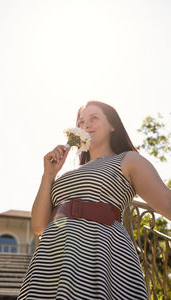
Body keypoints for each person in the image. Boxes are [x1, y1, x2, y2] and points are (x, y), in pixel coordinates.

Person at [17, 100, 171, 300]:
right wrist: (49, 175)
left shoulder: (128, 160)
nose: (85, 125)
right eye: (80, 122)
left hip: (102, 251)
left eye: (94, 118)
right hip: (53, 255)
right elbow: (39, 225)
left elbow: (167, 203)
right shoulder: (64, 175)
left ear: (113, 125)